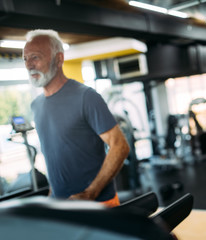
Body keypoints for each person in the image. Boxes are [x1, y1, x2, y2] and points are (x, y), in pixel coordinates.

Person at [23, 29, 130, 207]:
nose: (29, 65)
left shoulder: (86, 97)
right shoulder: (36, 105)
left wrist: (90, 193)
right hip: (61, 206)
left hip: (98, 204)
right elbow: (55, 157)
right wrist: (52, 193)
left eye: (35, 57)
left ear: (59, 59)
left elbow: (120, 146)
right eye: (25, 59)